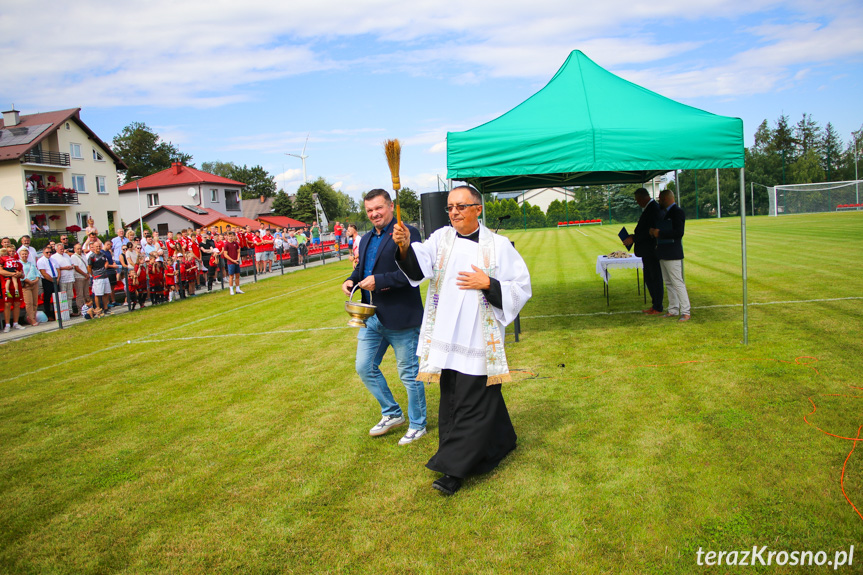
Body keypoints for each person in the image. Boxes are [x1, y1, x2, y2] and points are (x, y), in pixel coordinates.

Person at [392, 185, 532, 495]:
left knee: (469, 402)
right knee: (455, 395)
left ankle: (453, 469)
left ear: (478, 209)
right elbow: (418, 264)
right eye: (450, 207)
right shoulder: (441, 239)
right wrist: (403, 246)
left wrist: (488, 283)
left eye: (461, 206)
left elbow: (521, 287)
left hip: (478, 335)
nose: (454, 212)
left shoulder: (498, 246)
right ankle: (501, 441)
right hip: (446, 334)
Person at [341, 189, 427, 446]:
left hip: (402, 317)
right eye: (369, 210)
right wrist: (350, 279)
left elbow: (414, 273)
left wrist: (379, 282)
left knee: (409, 375)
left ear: (390, 206)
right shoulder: (366, 239)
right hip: (372, 318)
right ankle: (392, 413)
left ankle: (417, 424)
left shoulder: (407, 233)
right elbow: (361, 269)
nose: (374, 214)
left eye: (378, 208)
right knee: (364, 367)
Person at [650, 189, 691, 322]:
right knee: (668, 282)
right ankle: (673, 309)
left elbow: (679, 232)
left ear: (666, 199)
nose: (659, 202)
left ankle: (685, 311)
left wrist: (659, 233)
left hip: (672, 253)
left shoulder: (677, 212)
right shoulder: (665, 213)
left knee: (677, 282)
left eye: (661, 199)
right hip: (663, 252)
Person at [623, 187, 664, 315]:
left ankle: (658, 306)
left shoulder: (654, 209)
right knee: (649, 278)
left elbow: (651, 231)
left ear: (642, 198)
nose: (637, 203)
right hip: (646, 251)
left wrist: (634, 238)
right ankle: (655, 305)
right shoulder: (649, 208)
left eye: (637, 200)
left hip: (651, 250)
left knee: (655, 278)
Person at [1, 247, 25, 332]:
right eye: (9, 251)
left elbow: (22, 275)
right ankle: (7, 324)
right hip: (6, 285)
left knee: (17, 303)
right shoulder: (3, 260)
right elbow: (1, 271)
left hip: (17, 286)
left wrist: (20, 274)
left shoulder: (17, 262)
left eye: (13, 251)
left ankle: (16, 323)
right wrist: (12, 273)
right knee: (7, 304)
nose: (11, 253)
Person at [49, 244, 76, 315]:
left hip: (70, 277)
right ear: (56, 249)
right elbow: (56, 268)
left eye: (62, 248)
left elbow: (72, 264)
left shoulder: (66, 255)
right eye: (60, 249)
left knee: (70, 295)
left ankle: (71, 311)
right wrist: (64, 268)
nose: (62, 250)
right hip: (62, 278)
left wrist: (71, 267)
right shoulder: (54, 257)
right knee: (63, 296)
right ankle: (65, 312)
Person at [87, 240, 113, 314]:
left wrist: (104, 268)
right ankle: (98, 310)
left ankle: (105, 308)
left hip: (105, 276)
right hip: (97, 278)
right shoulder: (91, 257)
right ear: (93, 247)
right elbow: (89, 267)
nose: (98, 248)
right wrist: (93, 274)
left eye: (99, 246)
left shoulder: (103, 254)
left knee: (106, 293)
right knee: (98, 294)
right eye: (96, 246)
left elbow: (106, 261)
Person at [18, 246, 40, 326]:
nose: (24, 256)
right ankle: (31, 319)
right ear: (20, 255)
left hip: (34, 283)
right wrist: (28, 281)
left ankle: (32, 317)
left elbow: (37, 273)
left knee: (35, 302)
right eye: (23, 254)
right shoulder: (19, 264)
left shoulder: (31, 264)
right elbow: (20, 275)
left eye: (26, 254)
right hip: (26, 285)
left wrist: (36, 280)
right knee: (29, 303)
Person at [36, 245, 58, 321]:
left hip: (56, 280)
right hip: (47, 281)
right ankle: (49, 315)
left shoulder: (53, 260)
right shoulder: (41, 261)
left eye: (50, 252)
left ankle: (58, 314)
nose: (49, 254)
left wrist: (57, 279)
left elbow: (57, 269)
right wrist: (52, 280)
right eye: (47, 252)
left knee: (57, 298)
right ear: (43, 252)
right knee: (47, 299)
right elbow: (43, 273)